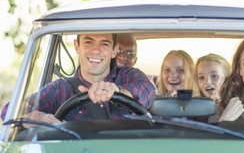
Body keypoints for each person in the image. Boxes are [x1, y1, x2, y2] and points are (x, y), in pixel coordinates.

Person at [1, 33, 156, 123]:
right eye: (88, 42)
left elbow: (147, 90)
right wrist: (43, 119)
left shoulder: (130, 76)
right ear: (76, 46)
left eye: (104, 44)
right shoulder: (60, 89)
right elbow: (9, 111)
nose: (96, 50)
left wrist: (118, 91)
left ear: (114, 51)